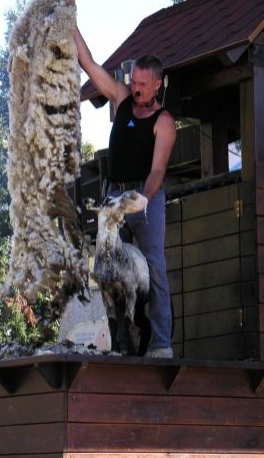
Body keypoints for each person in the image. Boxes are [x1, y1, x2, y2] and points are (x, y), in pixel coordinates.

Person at [73, 27, 176, 358]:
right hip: (113, 197)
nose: (135, 89)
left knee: (155, 268)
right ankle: (119, 342)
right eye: (133, 82)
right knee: (106, 267)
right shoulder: (120, 98)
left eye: (142, 85)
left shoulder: (164, 121)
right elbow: (88, 63)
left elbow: (157, 170)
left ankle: (161, 344)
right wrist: (70, 22)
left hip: (145, 200)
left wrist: (142, 199)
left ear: (157, 84)